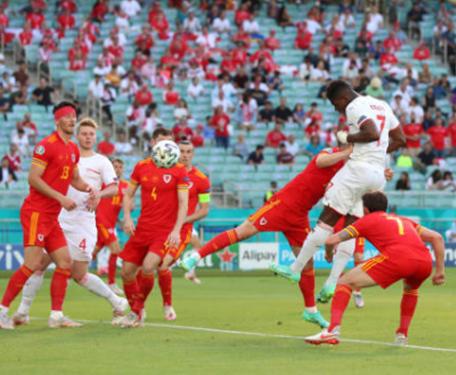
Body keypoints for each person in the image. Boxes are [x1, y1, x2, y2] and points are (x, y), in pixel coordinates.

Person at [182, 145, 357, 329]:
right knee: (244, 231)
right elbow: (320, 161)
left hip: (300, 215)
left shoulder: (348, 171)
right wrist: (346, 152)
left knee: (307, 263)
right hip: (284, 203)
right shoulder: (331, 152)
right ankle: (197, 256)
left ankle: (310, 311)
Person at [270, 80, 405, 292]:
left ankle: (295, 268)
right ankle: (332, 283)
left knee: (328, 219)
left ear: (342, 98)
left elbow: (372, 133)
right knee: (350, 227)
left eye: (335, 104)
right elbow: (400, 139)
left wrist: (346, 137)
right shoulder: (383, 105)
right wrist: (375, 155)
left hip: (358, 171)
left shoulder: (353, 106)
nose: (337, 109)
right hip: (378, 175)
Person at [12, 119, 128, 326]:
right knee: (38, 264)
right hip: (58, 217)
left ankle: (117, 302)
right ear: (77, 135)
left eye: (91, 134)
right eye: (83, 133)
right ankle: (23, 312)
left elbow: (114, 187)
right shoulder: (67, 154)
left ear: (95, 137)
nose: (87, 137)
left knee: (79, 274)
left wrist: (99, 194)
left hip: (83, 222)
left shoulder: (102, 162)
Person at [0, 103, 100, 329]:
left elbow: (74, 179)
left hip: (52, 216)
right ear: (57, 121)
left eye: (74, 116)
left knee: (64, 262)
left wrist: (90, 189)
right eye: (67, 117)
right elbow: (33, 179)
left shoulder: (73, 149)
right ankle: (2, 310)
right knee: (33, 263)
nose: (72, 120)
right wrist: (61, 198)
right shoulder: (46, 146)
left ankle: (56, 316)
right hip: (36, 211)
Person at [304, 191, 445, 345]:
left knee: (344, 282)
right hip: (424, 262)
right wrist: (439, 271)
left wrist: (329, 255)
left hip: (398, 258)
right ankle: (401, 335)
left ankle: (332, 331)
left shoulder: (366, 220)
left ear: (365, 209)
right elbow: (437, 238)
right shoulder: (403, 219)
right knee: (410, 290)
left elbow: (331, 241)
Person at [117, 128, 190, 328]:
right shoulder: (141, 167)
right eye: (162, 141)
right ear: (153, 143)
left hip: (164, 231)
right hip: (142, 228)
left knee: (149, 266)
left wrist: (176, 230)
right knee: (126, 272)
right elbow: (128, 194)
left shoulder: (179, 170)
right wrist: (127, 217)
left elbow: (184, 203)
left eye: (170, 142)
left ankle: (135, 311)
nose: (167, 146)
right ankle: (137, 311)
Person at [155, 140, 210, 320]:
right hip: (158, 227)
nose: (185, 155)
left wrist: (181, 221)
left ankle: (167, 305)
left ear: (193, 154)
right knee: (143, 267)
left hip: (181, 231)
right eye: (182, 151)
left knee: (163, 264)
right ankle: (137, 308)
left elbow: (204, 210)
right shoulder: (165, 173)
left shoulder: (201, 179)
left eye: (188, 152)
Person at [92, 158, 127, 295]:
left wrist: (121, 220)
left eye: (120, 167)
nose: (117, 169)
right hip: (101, 221)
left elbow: (125, 205)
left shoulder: (125, 186)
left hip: (111, 223)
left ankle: (69, 274)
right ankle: (111, 282)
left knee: (93, 251)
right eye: (115, 166)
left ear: (123, 169)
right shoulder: (104, 183)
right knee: (116, 248)